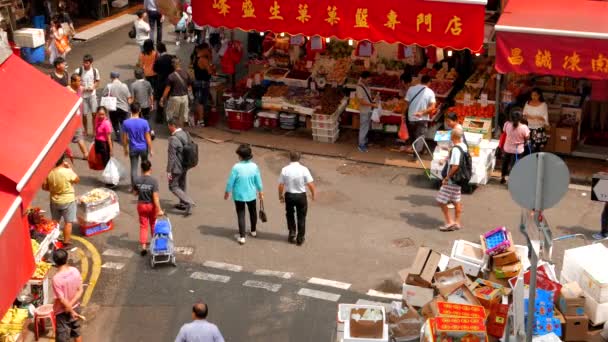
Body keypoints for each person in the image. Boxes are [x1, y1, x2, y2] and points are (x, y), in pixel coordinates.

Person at [224, 144, 264, 245]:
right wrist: (260, 191)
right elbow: (258, 181)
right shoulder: (254, 166)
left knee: (241, 214)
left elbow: (230, 182)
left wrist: (227, 192)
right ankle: (253, 231)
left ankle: (242, 237)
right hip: (251, 194)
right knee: (253, 212)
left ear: (240, 156)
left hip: (239, 195)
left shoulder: (236, 167)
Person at [278, 151, 316, 246]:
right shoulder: (304, 169)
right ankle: (300, 238)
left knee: (290, 215)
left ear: (289, 157)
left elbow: (281, 185)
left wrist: (280, 196)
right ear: (299, 158)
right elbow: (310, 184)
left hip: (289, 195)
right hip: (301, 196)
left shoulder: (285, 169)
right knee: (301, 217)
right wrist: (313, 194)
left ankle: (292, 233)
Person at [42, 154, 80, 246]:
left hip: (54, 201)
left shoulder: (50, 173)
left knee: (55, 222)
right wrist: (70, 169)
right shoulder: (67, 172)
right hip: (68, 200)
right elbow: (77, 180)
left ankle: (52, 240)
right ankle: (66, 242)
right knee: (68, 223)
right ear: (63, 161)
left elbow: (44, 187)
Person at [436, 127, 467, 232]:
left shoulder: (456, 149)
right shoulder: (463, 146)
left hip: (452, 180)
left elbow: (455, 166)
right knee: (456, 200)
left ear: (453, 136)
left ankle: (449, 222)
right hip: (460, 179)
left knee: (441, 200)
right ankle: (457, 223)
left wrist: (447, 178)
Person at [51, 249, 84, 342]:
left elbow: (62, 300)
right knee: (77, 332)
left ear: (55, 262)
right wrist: (72, 307)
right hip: (76, 306)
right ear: (66, 259)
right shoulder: (75, 271)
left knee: (62, 338)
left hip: (62, 312)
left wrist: (70, 310)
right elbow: (80, 290)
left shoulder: (56, 279)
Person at [133, 160, 164, 255]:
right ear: (150, 169)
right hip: (151, 206)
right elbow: (155, 198)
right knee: (153, 224)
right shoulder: (153, 181)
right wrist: (159, 210)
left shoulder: (137, 180)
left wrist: (140, 190)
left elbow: (135, 193)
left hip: (141, 205)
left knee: (143, 226)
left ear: (141, 169)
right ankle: (155, 244)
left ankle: (143, 246)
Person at [167, 119, 195, 216]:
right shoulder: (186, 134)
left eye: (169, 125)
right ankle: (183, 204)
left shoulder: (173, 139)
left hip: (177, 166)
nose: (168, 127)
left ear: (173, 126)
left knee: (173, 186)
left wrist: (168, 171)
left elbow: (171, 157)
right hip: (186, 164)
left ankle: (188, 201)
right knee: (182, 183)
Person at [403, 75, 437, 155]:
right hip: (422, 118)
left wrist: (403, 114)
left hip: (411, 117)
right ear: (429, 82)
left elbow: (406, 103)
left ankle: (417, 151)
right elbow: (433, 107)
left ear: (421, 81)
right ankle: (416, 154)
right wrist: (422, 113)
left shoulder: (411, 89)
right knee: (420, 136)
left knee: (414, 136)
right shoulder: (430, 92)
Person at [123, 102, 153, 189]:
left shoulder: (126, 123)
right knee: (145, 166)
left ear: (130, 110)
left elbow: (124, 139)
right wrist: (151, 149)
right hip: (143, 148)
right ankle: (144, 184)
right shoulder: (144, 122)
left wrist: (125, 149)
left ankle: (134, 187)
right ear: (139, 110)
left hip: (133, 148)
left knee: (134, 168)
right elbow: (148, 138)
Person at [500, 110, 530, 184]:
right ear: (521, 118)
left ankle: (503, 177)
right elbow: (527, 137)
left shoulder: (506, 124)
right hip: (518, 150)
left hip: (507, 148)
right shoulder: (524, 127)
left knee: (505, 163)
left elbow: (504, 132)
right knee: (515, 164)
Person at [162, 57, 193, 126]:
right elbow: (189, 87)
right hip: (184, 97)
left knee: (171, 115)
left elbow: (167, 89)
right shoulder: (186, 73)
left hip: (175, 98)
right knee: (182, 116)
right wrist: (190, 97)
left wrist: (163, 98)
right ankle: (180, 129)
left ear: (172, 65)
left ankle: (174, 129)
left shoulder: (171, 76)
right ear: (180, 64)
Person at [75, 55, 100, 136]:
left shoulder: (95, 71)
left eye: (87, 63)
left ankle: (94, 130)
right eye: (84, 62)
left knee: (94, 114)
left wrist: (93, 87)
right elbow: (74, 83)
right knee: (84, 115)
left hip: (92, 95)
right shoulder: (78, 70)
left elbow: (97, 81)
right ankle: (85, 130)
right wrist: (83, 88)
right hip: (83, 96)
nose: (85, 64)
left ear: (91, 63)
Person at [102, 71, 132, 140]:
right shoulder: (124, 86)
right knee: (124, 123)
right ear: (118, 77)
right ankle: (126, 136)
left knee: (115, 123)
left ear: (111, 77)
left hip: (113, 108)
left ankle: (118, 136)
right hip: (124, 108)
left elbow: (104, 94)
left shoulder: (108, 86)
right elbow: (128, 97)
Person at [66, 74, 88, 160]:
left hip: (77, 117)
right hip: (70, 117)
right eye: (79, 81)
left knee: (77, 135)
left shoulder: (80, 89)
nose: (80, 83)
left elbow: (86, 88)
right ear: (73, 82)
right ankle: (86, 154)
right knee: (79, 137)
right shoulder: (67, 90)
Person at [355, 71, 379, 152]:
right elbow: (361, 101)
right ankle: (361, 145)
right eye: (368, 80)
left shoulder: (366, 86)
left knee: (366, 127)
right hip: (364, 111)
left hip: (368, 110)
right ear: (363, 79)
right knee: (363, 128)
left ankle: (364, 142)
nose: (369, 81)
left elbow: (367, 97)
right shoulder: (359, 88)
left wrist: (375, 98)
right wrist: (372, 105)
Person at [192, 43, 214, 126]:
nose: (209, 51)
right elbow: (210, 71)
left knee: (200, 101)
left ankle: (200, 120)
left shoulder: (196, 57)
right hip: (203, 83)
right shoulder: (203, 59)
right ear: (204, 49)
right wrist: (211, 65)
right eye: (208, 50)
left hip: (198, 81)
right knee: (201, 102)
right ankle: (201, 121)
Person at [153, 43, 174, 124]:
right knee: (170, 99)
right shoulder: (171, 58)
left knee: (160, 99)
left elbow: (155, 70)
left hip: (161, 82)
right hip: (171, 81)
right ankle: (170, 118)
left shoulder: (158, 60)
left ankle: (159, 117)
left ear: (158, 50)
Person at [523, 88, 549, 153]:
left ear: (539, 95)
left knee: (536, 149)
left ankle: (535, 162)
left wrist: (534, 117)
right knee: (527, 148)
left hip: (538, 129)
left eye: (535, 95)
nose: (533, 97)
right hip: (529, 129)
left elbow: (545, 118)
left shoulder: (543, 105)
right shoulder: (527, 103)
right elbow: (524, 115)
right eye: (532, 95)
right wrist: (534, 117)